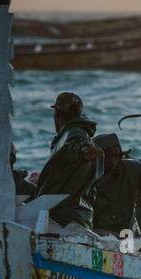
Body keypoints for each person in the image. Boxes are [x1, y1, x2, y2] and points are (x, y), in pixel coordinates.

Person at [34, 91, 101, 227]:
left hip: (64, 219)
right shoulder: (76, 134)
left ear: (57, 113)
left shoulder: (73, 133)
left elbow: (77, 146)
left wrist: (83, 151)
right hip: (79, 218)